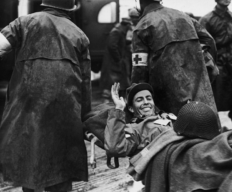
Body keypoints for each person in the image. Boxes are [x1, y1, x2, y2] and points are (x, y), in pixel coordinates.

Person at [0, 0, 91, 191]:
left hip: (27, 111)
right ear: (71, 7)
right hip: (65, 115)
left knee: (29, 164)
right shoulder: (80, 35)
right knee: (60, 171)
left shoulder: (23, 23)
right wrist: (86, 122)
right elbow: (85, 86)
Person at [131, 0, 219, 120]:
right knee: (204, 123)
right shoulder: (183, 16)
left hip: (165, 88)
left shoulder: (142, 26)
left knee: (174, 128)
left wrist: (135, 93)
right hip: (196, 81)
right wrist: (206, 67)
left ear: (139, 3)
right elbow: (209, 41)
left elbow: (139, 69)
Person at [200, 0, 232, 134]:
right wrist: (209, 65)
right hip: (217, 63)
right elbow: (203, 44)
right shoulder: (207, 19)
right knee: (215, 99)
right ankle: (215, 130)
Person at [104, 82, 181, 158]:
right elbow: (115, 148)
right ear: (131, 109)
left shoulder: (169, 117)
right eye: (139, 100)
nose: (146, 102)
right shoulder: (134, 129)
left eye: (149, 98)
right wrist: (119, 108)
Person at [98, 18, 132, 103]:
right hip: (113, 62)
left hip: (115, 62)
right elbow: (112, 46)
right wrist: (118, 59)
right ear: (126, 25)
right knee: (111, 83)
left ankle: (113, 101)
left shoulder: (119, 31)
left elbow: (118, 43)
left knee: (116, 82)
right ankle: (107, 103)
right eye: (128, 27)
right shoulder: (116, 32)